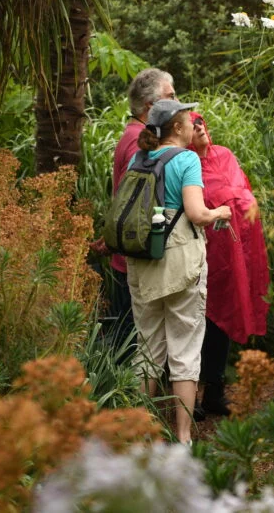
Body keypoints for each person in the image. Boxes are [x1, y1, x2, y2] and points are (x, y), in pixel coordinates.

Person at [128, 100, 231, 444]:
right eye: (188, 121)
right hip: (179, 263)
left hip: (142, 262)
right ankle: (184, 438)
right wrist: (222, 212)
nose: (192, 126)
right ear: (176, 128)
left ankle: (139, 434)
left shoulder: (138, 158)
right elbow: (197, 213)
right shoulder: (186, 159)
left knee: (147, 349)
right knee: (185, 351)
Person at [188, 112, 270, 417]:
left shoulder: (224, 154)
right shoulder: (186, 162)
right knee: (200, 320)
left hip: (236, 252)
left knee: (224, 320)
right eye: (192, 124)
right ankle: (192, 395)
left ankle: (215, 391)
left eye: (201, 122)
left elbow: (241, 191)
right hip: (206, 253)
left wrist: (235, 202)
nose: (199, 127)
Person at [106, 68, 176, 349]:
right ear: (152, 106)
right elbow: (136, 207)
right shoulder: (141, 144)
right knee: (137, 347)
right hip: (135, 262)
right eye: (170, 96)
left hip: (125, 258)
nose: (177, 102)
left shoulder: (132, 135)